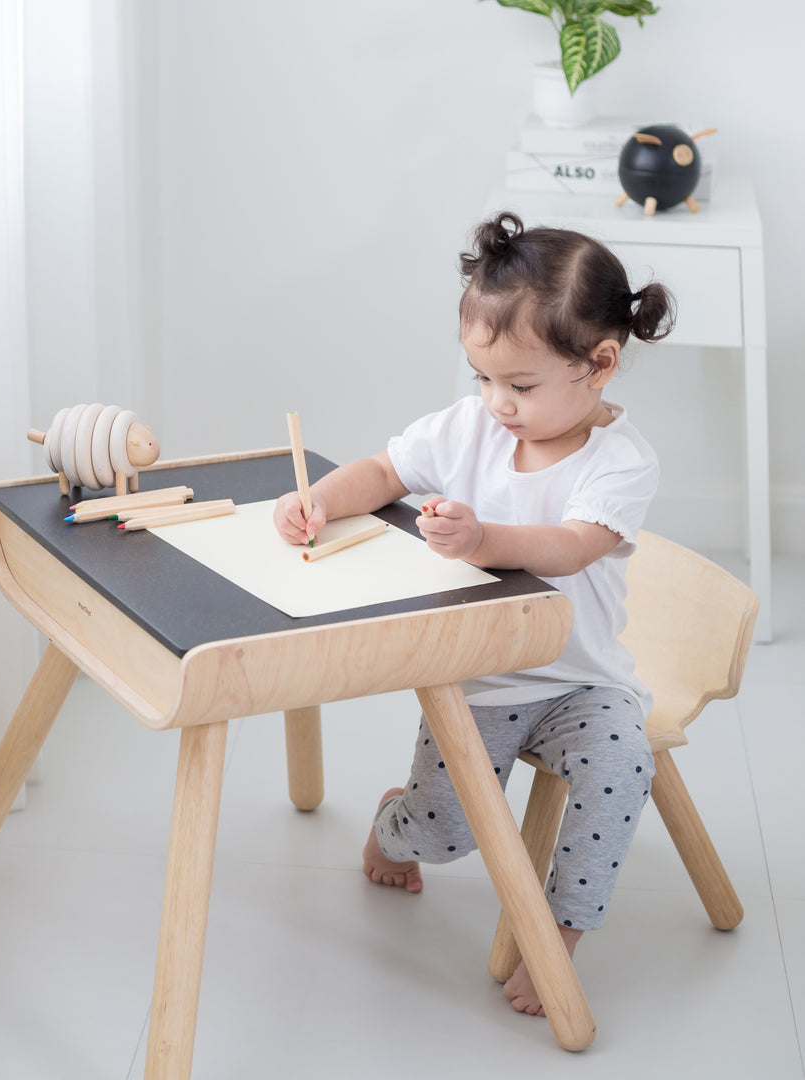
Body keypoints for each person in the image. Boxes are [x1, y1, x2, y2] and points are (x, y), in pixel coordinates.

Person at [273, 211, 675, 1016]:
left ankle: (558, 937)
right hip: (480, 682)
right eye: (481, 377)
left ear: (600, 365)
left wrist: (483, 538)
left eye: (521, 386)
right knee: (441, 834)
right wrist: (318, 501)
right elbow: (385, 470)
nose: (496, 403)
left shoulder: (620, 461)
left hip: (580, 684)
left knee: (628, 766)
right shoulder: (469, 428)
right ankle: (395, 823)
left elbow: (570, 545)